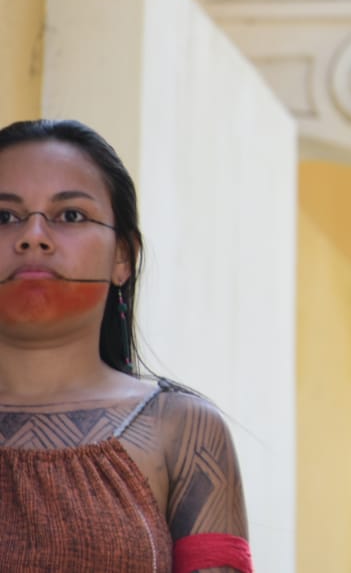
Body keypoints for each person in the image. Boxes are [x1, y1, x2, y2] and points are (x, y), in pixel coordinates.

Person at [0, 119, 253, 573]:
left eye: (70, 216)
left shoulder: (179, 430)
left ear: (123, 257)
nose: (32, 235)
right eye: (4, 217)